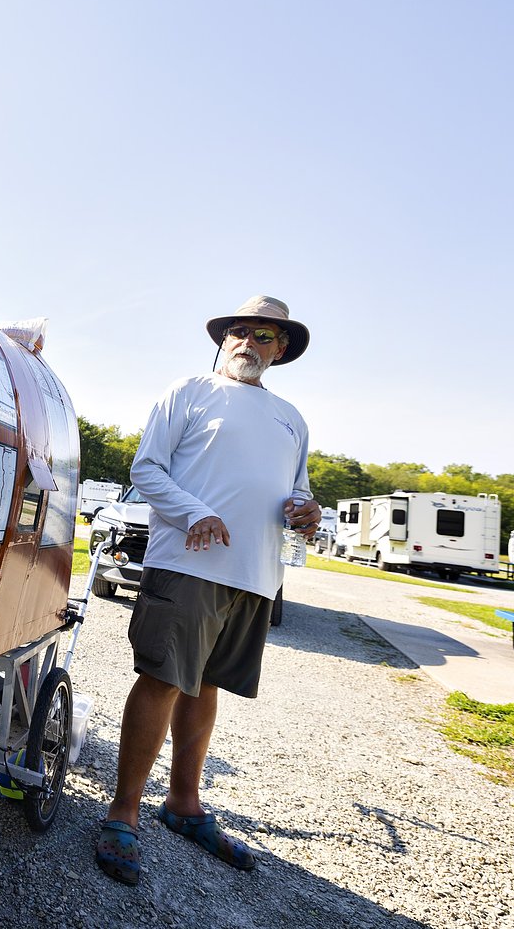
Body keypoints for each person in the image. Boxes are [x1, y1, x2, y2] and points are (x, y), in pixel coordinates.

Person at [95, 294, 320, 886]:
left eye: (265, 335)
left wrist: (307, 510)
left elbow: (297, 491)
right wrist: (193, 512)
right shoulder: (188, 391)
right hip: (190, 564)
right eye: (240, 331)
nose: (249, 341)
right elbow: (146, 469)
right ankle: (123, 814)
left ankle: (184, 804)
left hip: (255, 573)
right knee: (165, 679)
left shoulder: (291, 418)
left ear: (281, 350)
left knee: (207, 684)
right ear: (223, 340)